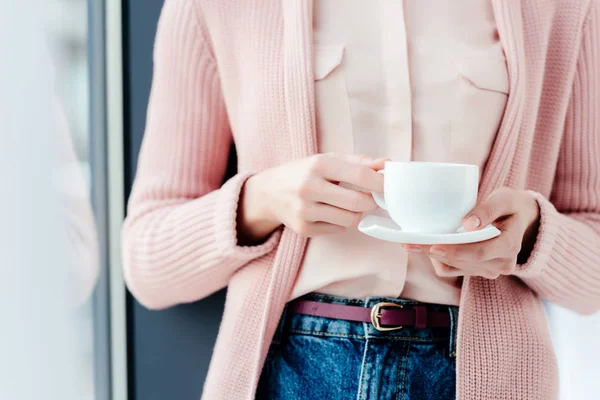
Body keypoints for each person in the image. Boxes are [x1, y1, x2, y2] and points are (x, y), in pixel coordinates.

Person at [122, 1, 600, 399]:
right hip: (290, 368)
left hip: (487, 373)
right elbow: (147, 262)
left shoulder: (565, 8)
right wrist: (263, 200)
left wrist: (531, 234)